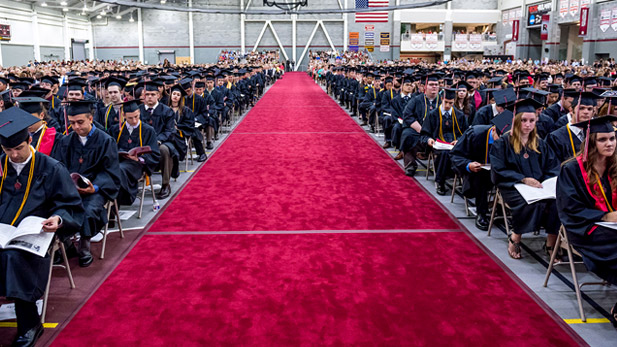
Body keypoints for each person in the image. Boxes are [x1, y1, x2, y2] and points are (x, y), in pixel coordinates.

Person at [0, 108, 83, 346]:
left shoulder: (50, 167)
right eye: (8, 150)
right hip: (3, 229)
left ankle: (29, 324)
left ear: (29, 140)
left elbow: (70, 204)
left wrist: (58, 219)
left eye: (18, 148)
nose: (14, 155)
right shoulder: (1, 165)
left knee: (14, 258)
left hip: (35, 233)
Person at [556, 116, 617, 328]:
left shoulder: (615, 165)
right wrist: (605, 216)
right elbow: (569, 209)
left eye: (612, 138)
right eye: (603, 140)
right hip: (584, 228)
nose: (609, 143)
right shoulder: (571, 169)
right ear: (591, 142)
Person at [53, 100, 122, 267]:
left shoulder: (106, 141)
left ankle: (84, 246)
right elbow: (59, 167)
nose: (76, 127)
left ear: (91, 118)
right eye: (72, 123)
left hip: (96, 189)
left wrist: (95, 187)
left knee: (89, 210)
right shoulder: (66, 141)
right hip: (70, 189)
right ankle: (68, 245)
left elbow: (110, 171)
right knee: (57, 208)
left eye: (80, 122)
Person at [490, 99, 561, 259]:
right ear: (515, 121)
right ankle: (515, 236)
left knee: (556, 203)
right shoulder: (502, 143)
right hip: (512, 186)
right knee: (529, 203)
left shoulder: (540, 144)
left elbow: (553, 166)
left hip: (538, 187)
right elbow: (499, 170)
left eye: (532, 121)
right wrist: (522, 179)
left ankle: (551, 243)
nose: (528, 125)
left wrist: (547, 182)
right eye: (524, 120)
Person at [450, 112, 507, 230]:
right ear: (494, 129)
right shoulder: (475, 134)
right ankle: (482, 213)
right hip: (476, 172)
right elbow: (455, 155)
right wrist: (468, 165)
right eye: (500, 138)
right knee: (481, 176)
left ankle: (504, 211)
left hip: (500, 172)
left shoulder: (511, 138)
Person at [110, 100, 161, 206]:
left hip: (137, 165)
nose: (134, 120)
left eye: (136, 116)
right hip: (119, 161)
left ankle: (120, 200)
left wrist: (139, 159)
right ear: (123, 115)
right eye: (130, 118)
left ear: (139, 112)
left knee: (119, 170)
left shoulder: (148, 130)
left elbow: (155, 153)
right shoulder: (115, 129)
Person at [421, 88, 468, 195]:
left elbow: (466, 134)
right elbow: (424, 134)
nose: (447, 105)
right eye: (445, 102)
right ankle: (441, 182)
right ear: (441, 99)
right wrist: (429, 140)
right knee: (445, 154)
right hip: (438, 145)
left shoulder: (459, 115)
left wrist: (459, 140)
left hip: (455, 144)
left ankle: (464, 182)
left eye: (450, 103)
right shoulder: (432, 115)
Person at [139, 81, 178, 199]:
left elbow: (170, 130)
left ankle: (165, 184)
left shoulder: (167, 111)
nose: (150, 97)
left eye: (153, 94)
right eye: (147, 94)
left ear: (158, 95)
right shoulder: (138, 110)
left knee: (164, 150)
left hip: (161, 142)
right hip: (142, 142)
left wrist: (158, 140)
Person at [546, 92, 599, 163]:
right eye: (581, 108)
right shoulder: (556, 137)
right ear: (571, 110)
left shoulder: (597, 134)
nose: (586, 112)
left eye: (589, 109)